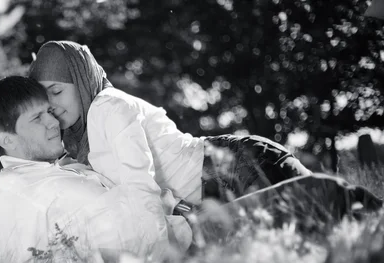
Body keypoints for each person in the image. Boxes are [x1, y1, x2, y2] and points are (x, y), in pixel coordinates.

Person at [28, 40, 382, 218]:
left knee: (333, 213)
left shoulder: (106, 106)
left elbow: (141, 195)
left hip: (236, 165)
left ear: (81, 80)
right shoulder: (83, 134)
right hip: (219, 182)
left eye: (57, 91)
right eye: (44, 97)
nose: (52, 104)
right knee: (328, 222)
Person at [0, 76, 192, 263]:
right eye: (37, 118)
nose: (53, 122)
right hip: (164, 256)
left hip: (180, 226)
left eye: (49, 112)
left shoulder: (61, 170)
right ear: (7, 140)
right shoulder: (8, 193)